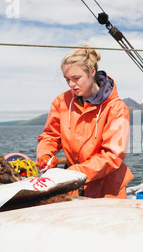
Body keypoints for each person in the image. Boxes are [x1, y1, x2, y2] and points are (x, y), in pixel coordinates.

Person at [37, 45, 133, 198]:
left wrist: (74, 173)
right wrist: (45, 156)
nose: (71, 84)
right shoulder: (61, 102)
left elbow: (113, 155)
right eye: (67, 79)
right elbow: (50, 136)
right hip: (74, 186)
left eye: (76, 78)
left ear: (92, 71)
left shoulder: (117, 108)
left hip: (108, 191)